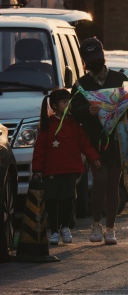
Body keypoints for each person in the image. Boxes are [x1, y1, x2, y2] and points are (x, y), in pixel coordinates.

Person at [70, 37, 128, 245]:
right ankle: (96, 223)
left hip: (116, 139)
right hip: (94, 140)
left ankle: (110, 228)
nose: (95, 62)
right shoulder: (81, 84)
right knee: (99, 180)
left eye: (97, 57)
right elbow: (73, 110)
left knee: (113, 184)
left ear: (103, 56)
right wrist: (86, 111)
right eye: (90, 59)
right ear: (85, 61)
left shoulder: (119, 79)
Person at [32, 88, 102, 245]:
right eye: (64, 102)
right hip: (51, 170)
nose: (68, 105)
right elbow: (39, 149)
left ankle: (65, 227)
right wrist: (37, 170)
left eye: (69, 101)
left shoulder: (74, 124)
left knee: (68, 200)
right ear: (55, 105)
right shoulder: (47, 125)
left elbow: (85, 143)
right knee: (52, 201)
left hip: (70, 170)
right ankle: (55, 231)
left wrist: (94, 157)